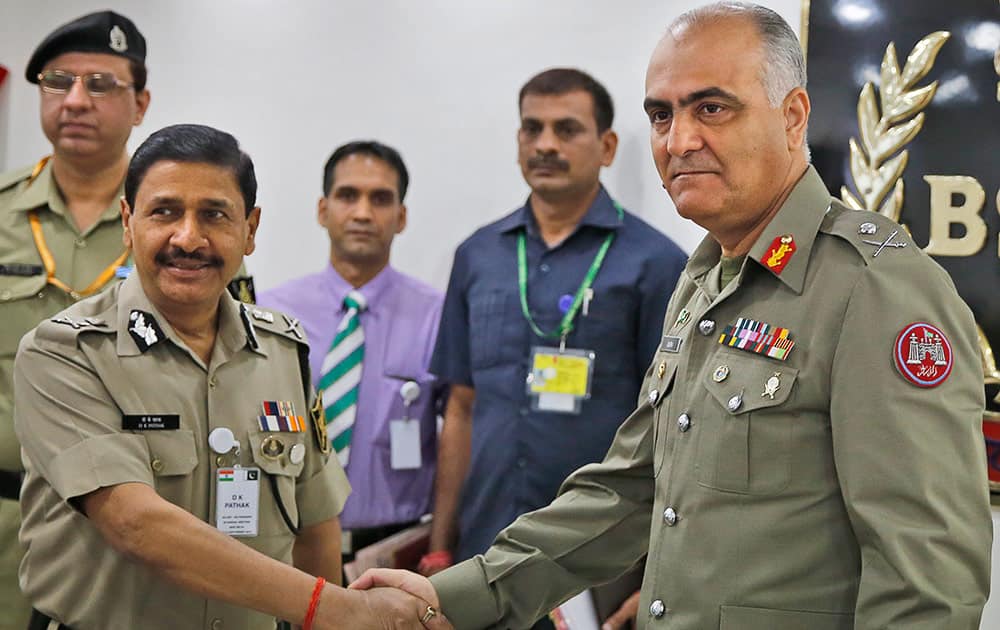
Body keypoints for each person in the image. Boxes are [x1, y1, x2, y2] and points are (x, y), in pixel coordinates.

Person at [355, 3, 993, 628]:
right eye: (662, 114)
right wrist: (456, 596)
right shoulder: (704, 278)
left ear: (793, 117)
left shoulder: (874, 287)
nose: (679, 140)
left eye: (711, 108)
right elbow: (630, 490)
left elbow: (927, 587)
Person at [14, 123, 449, 630]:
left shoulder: (284, 350)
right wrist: (338, 610)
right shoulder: (66, 351)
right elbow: (135, 524)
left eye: (215, 215)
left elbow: (315, 523)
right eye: (165, 212)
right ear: (128, 221)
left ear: (250, 229)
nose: (188, 238)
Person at [419, 67, 686, 627]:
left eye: (567, 129)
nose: (545, 144)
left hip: (600, 558)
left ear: (607, 146)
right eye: (532, 129)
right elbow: (461, 407)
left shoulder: (656, 264)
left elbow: (671, 427)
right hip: (483, 550)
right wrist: (441, 546)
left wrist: (656, 568)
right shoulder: (477, 256)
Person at [0, 12, 152, 627]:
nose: (76, 100)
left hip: (128, 535)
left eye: (101, 84)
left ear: (141, 103)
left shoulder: (177, 227)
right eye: (58, 82)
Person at [258, 141, 444, 562]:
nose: (362, 213)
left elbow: (461, 431)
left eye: (380, 199)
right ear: (323, 210)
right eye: (348, 196)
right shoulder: (270, 313)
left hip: (392, 548)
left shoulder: (438, 315)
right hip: (288, 542)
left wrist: (443, 543)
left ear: (401, 217)